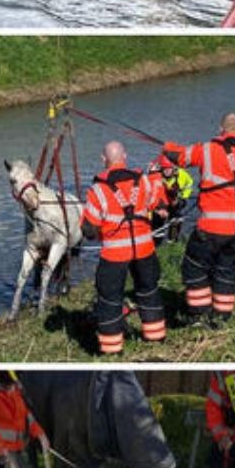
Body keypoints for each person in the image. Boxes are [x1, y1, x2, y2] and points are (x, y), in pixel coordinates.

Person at [164, 113, 235, 325]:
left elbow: (180, 156)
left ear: (220, 129)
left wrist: (167, 146)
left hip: (212, 227)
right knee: (226, 270)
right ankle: (222, 316)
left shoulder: (207, 149)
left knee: (194, 267)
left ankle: (199, 313)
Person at [80, 140, 165, 355]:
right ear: (125, 156)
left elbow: (89, 229)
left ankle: (112, 350)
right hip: (145, 250)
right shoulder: (143, 181)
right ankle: (155, 338)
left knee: (110, 298)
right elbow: (157, 200)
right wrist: (155, 176)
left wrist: (98, 231)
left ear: (103, 160)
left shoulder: (98, 190)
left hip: (115, 255)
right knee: (149, 291)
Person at [146, 154, 193, 244]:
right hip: (161, 204)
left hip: (176, 201)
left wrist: (183, 197)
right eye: (165, 169)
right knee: (157, 223)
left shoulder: (182, 175)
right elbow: (150, 195)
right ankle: (156, 243)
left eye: (169, 168)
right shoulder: (155, 177)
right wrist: (156, 210)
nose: (167, 171)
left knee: (176, 220)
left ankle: (172, 242)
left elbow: (189, 185)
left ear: (174, 168)